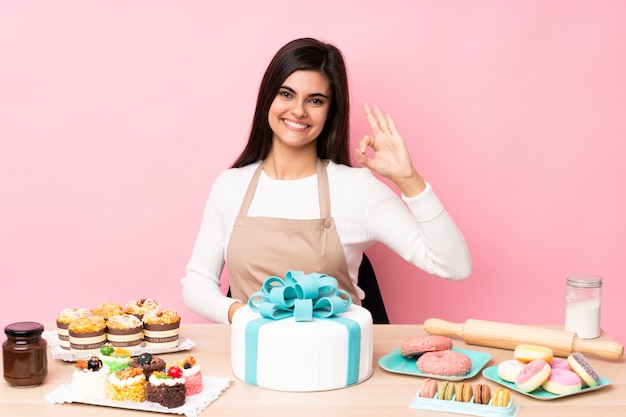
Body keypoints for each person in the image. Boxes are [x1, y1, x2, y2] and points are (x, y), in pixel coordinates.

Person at [181, 37, 472, 324]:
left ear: (330, 112)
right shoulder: (230, 186)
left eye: (315, 100)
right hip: (251, 362)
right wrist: (242, 315)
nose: (298, 110)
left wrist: (409, 180)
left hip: (338, 366)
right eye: (286, 94)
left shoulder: (357, 188)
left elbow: (454, 266)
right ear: (267, 97)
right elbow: (197, 283)